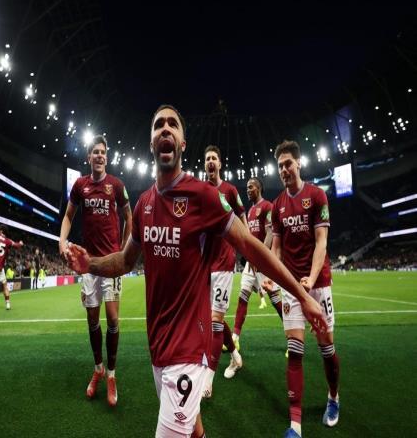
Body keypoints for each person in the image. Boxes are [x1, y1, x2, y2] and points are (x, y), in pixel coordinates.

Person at [64, 105, 327, 438]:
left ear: (182, 143)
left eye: (173, 124)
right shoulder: (144, 204)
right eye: (159, 124)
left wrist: (302, 296)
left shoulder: (203, 196)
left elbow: (250, 247)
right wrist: (89, 264)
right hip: (158, 347)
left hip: (189, 349)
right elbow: (125, 261)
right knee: (194, 430)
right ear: (151, 142)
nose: (165, 128)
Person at [271, 140, 340, 438]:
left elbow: (321, 242)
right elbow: (276, 247)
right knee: (295, 351)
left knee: (326, 349)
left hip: (318, 283)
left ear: (299, 164)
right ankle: (295, 424)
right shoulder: (277, 205)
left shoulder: (317, 195)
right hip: (292, 286)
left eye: (288, 164)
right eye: (280, 166)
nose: (284, 170)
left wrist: (311, 279)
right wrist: (272, 275)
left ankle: (333, 397)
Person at [59, 134, 132, 408]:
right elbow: (68, 216)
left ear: (106, 157)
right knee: (92, 319)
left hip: (111, 262)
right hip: (88, 264)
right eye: (95, 152)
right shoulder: (80, 185)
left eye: (103, 152)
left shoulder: (117, 185)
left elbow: (129, 217)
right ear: (88, 157)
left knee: (112, 319)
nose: (99, 156)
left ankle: (111, 375)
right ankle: (98, 369)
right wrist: (62, 241)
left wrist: (123, 251)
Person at [202, 145, 245, 396]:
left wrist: (243, 247)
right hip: (205, 264)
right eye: (207, 158)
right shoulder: (201, 191)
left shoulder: (229, 190)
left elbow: (242, 218)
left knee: (215, 321)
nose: (210, 161)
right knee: (212, 318)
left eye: (214, 158)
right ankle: (235, 356)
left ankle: (208, 379)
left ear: (219, 164)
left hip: (224, 263)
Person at [231, 177, 284, 352]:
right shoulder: (251, 211)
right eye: (247, 187)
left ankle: (293, 337)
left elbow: (270, 233)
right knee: (242, 296)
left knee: (275, 300)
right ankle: (235, 338)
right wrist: (249, 255)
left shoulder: (267, 206)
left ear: (259, 188)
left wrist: (260, 255)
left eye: (251, 187)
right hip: (251, 261)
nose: (248, 190)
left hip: (263, 261)